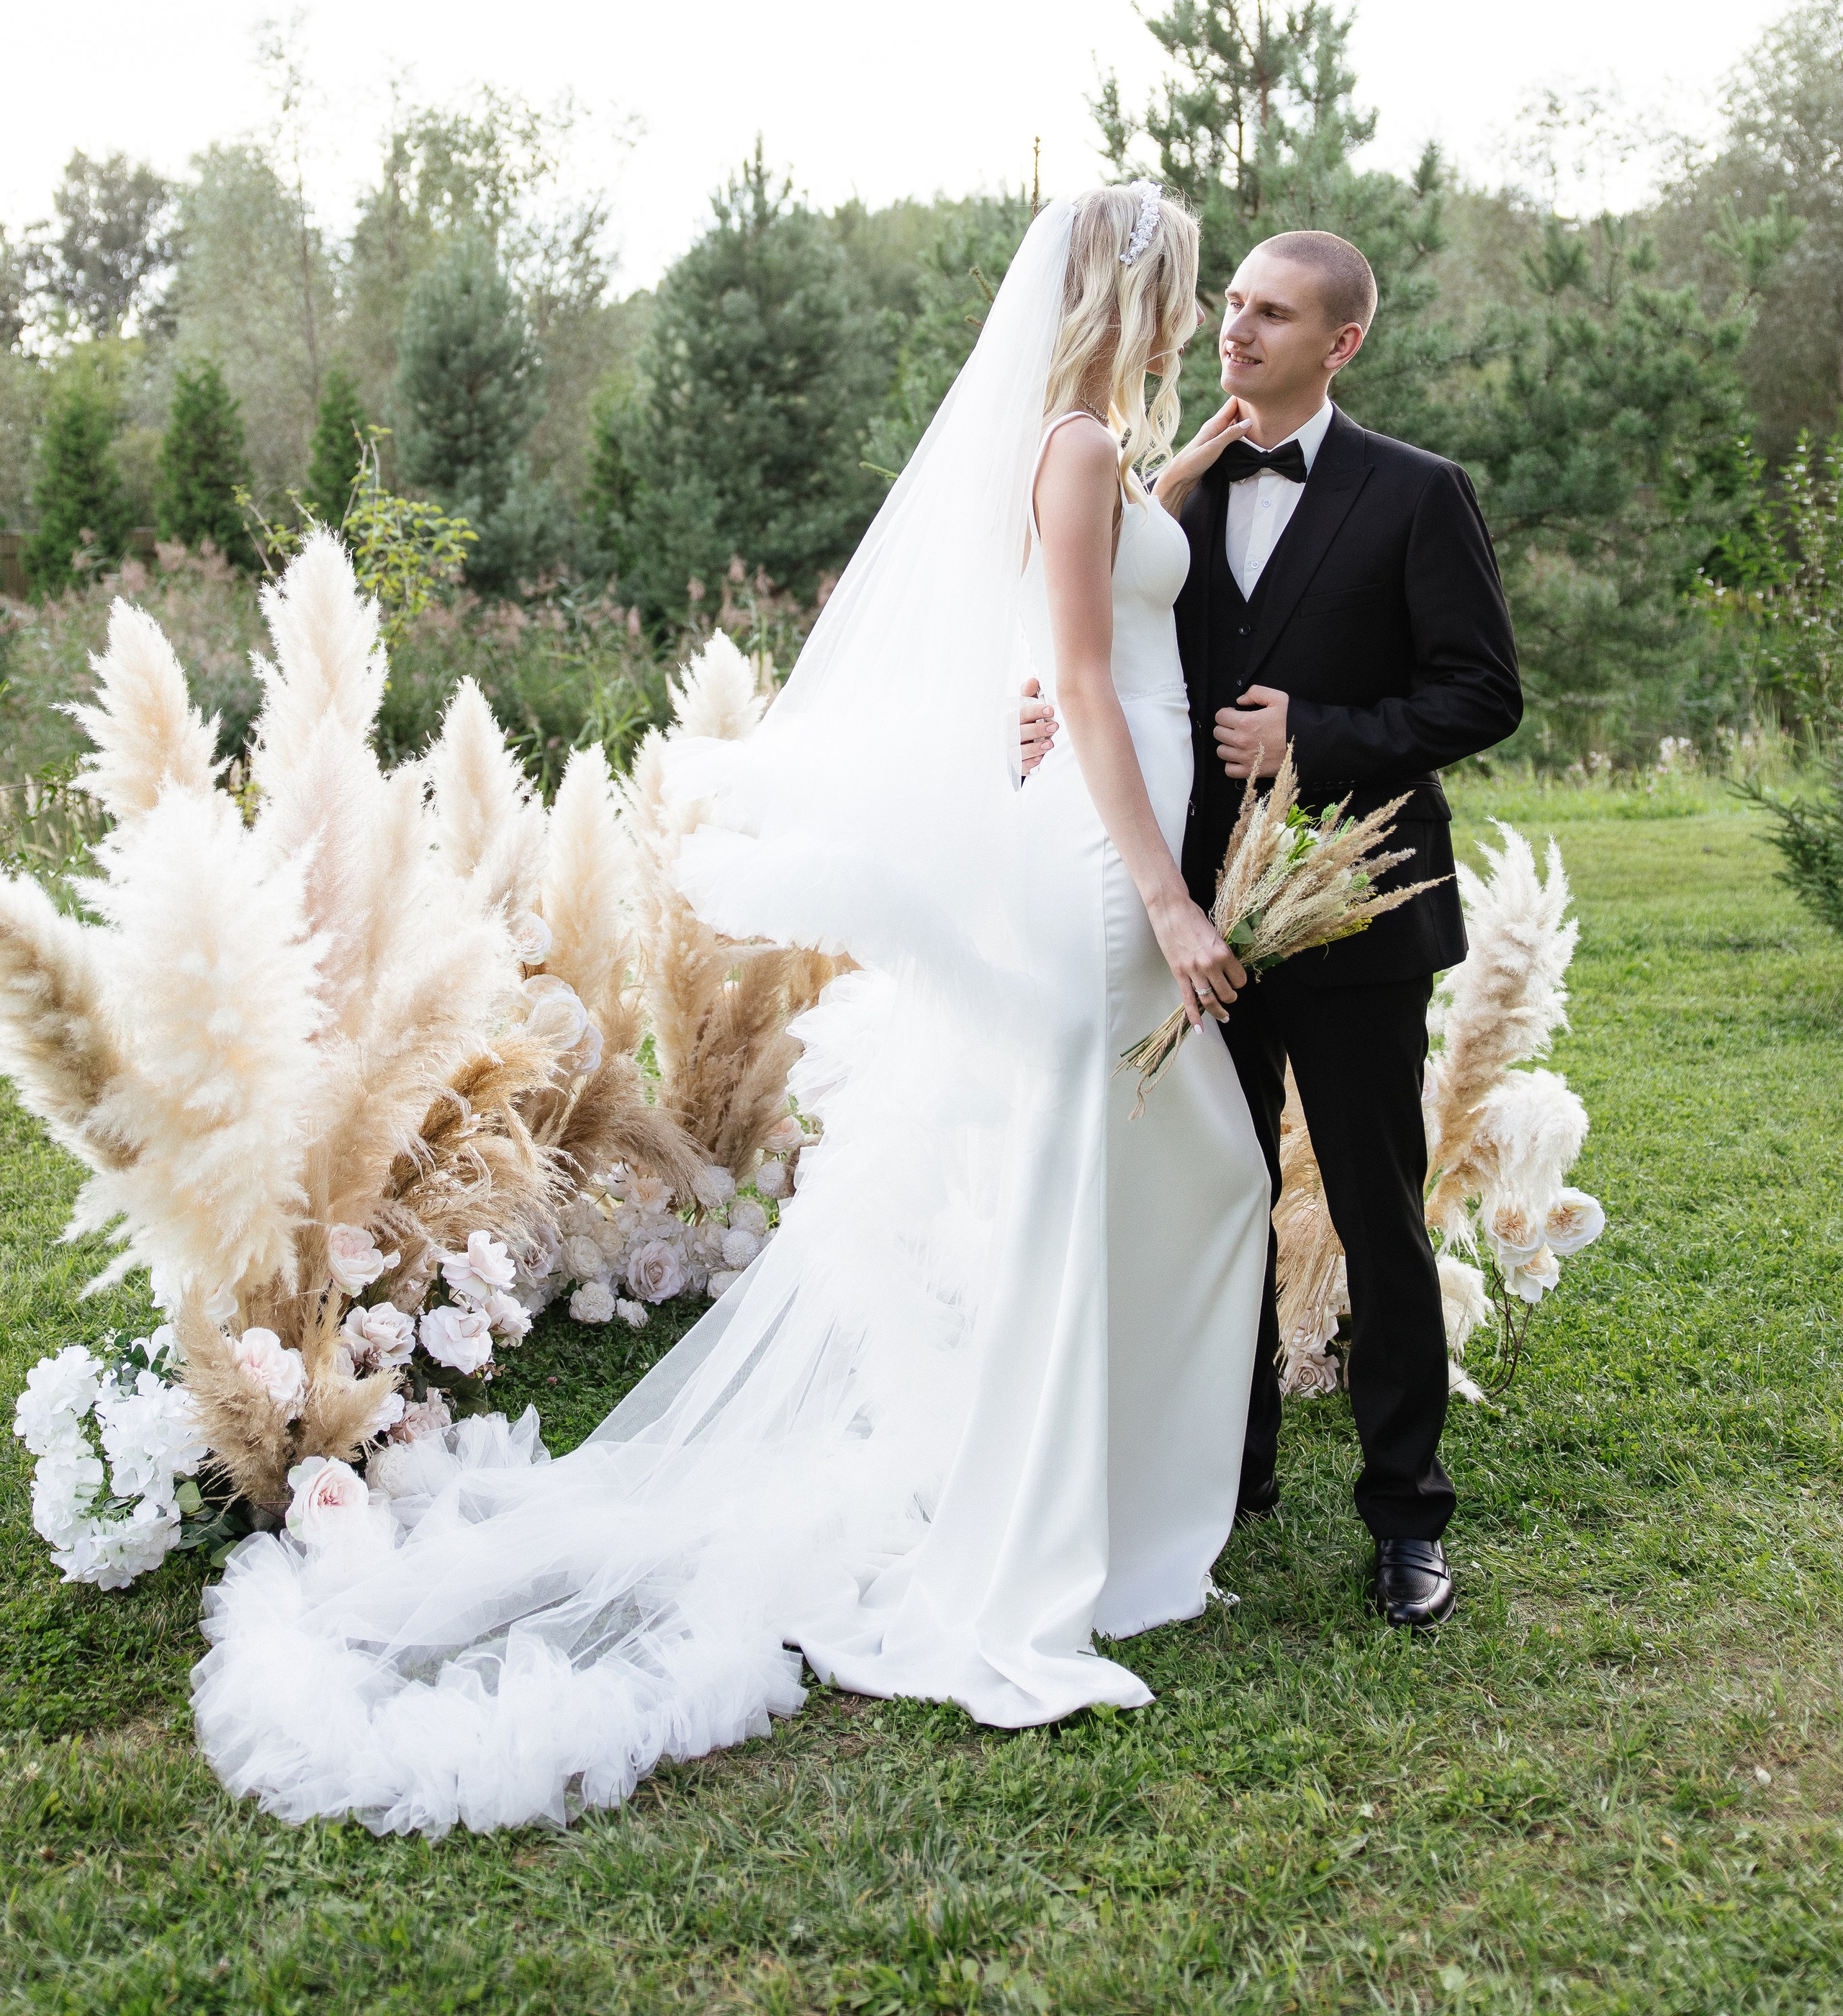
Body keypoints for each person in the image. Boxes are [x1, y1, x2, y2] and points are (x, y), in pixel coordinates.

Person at [189, 184, 1271, 1836]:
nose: (1197, 319)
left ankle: (1111, 1518)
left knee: (1178, 1169)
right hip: (1105, 863)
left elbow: (1105, 573)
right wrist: (1173, 899)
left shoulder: (1094, 452)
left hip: (1117, 837)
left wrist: (1175, 474)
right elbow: (1077, 680)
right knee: (1104, 1175)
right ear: (1136, 296)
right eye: (1186, 291)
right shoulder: (1066, 451)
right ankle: (1028, 1557)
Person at [1159, 230, 1521, 1629]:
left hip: (1355, 907)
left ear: (1341, 343)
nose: (1236, 330)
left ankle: (1406, 1516)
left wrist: (1314, 736)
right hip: (1198, 919)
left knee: (1377, 1211)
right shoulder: (1177, 488)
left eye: (1272, 313)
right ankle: (1226, 1476)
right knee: (1217, 1198)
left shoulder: (1418, 493)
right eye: (1232, 303)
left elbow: (1479, 692)